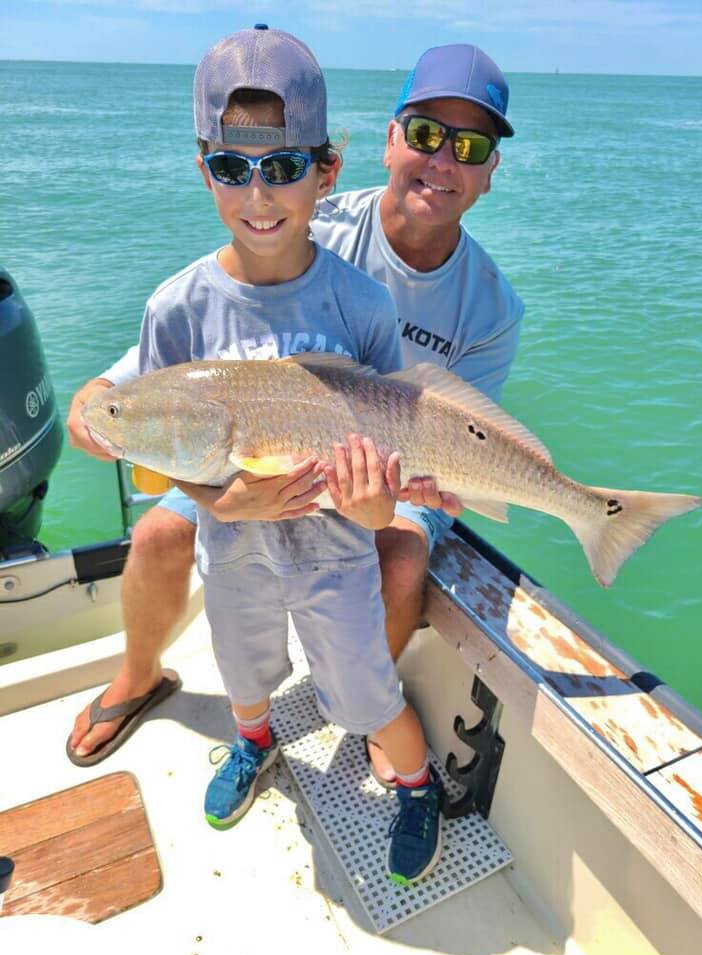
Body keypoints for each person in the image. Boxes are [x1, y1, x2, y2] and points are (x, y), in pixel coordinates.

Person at [67, 40, 522, 792]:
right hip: (257, 439)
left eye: (468, 146)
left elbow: (462, 431)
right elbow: (205, 355)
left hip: (395, 461)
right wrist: (100, 400)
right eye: (425, 134)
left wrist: (397, 497)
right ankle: (140, 674)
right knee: (154, 532)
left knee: (401, 553)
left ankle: (368, 715)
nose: (441, 161)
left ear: (489, 171)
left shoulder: (493, 306)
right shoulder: (305, 215)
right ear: (390, 139)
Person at [98, 24, 442, 885]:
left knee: (366, 696)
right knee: (244, 676)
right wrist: (219, 502)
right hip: (234, 561)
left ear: (327, 173)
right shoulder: (173, 309)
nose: (259, 193)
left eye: (284, 168)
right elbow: (171, 449)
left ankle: (417, 781)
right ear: (203, 167)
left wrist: (371, 505)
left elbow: (384, 475)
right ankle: (253, 745)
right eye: (232, 168)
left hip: (339, 563)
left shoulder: (363, 305)